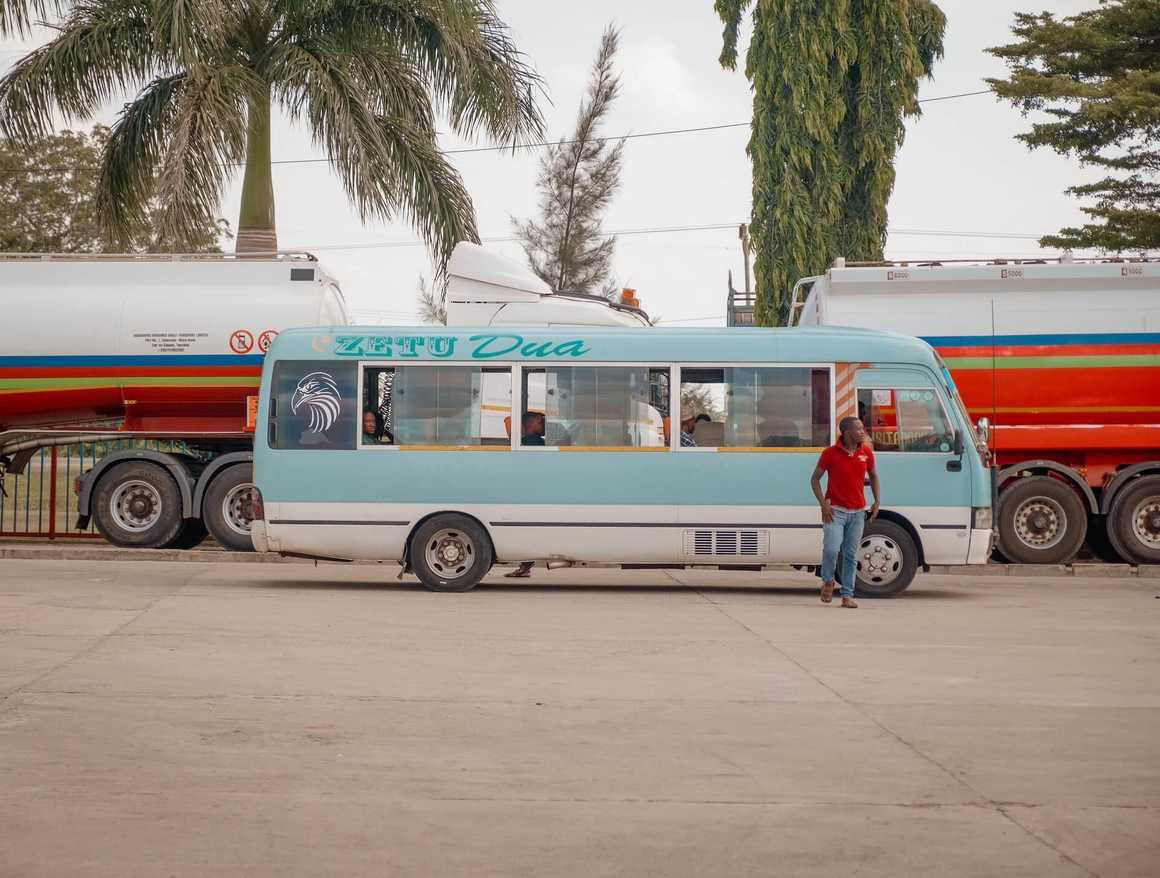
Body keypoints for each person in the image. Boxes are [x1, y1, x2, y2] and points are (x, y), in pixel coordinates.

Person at [810, 416, 880, 609]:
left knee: (850, 554)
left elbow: (873, 476)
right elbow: (815, 479)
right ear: (847, 433)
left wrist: (876, 501)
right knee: (832, 549)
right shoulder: (830, 453)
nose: (863, 431)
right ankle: (828, 581)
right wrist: (823, 504)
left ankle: (847, 595)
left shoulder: (866, 452)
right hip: (835, 512)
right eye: (858, 429)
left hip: (857, 512)